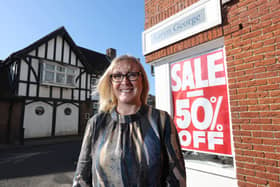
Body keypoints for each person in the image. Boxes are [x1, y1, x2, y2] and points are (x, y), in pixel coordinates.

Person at [73, 55, 186, 187]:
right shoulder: (96, 123)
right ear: (111, 83)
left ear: (142, 81)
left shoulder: (161, 120)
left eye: (132, 75)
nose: (125, 81)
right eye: (117, 76)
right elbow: (82, 176)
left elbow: (177, 178)